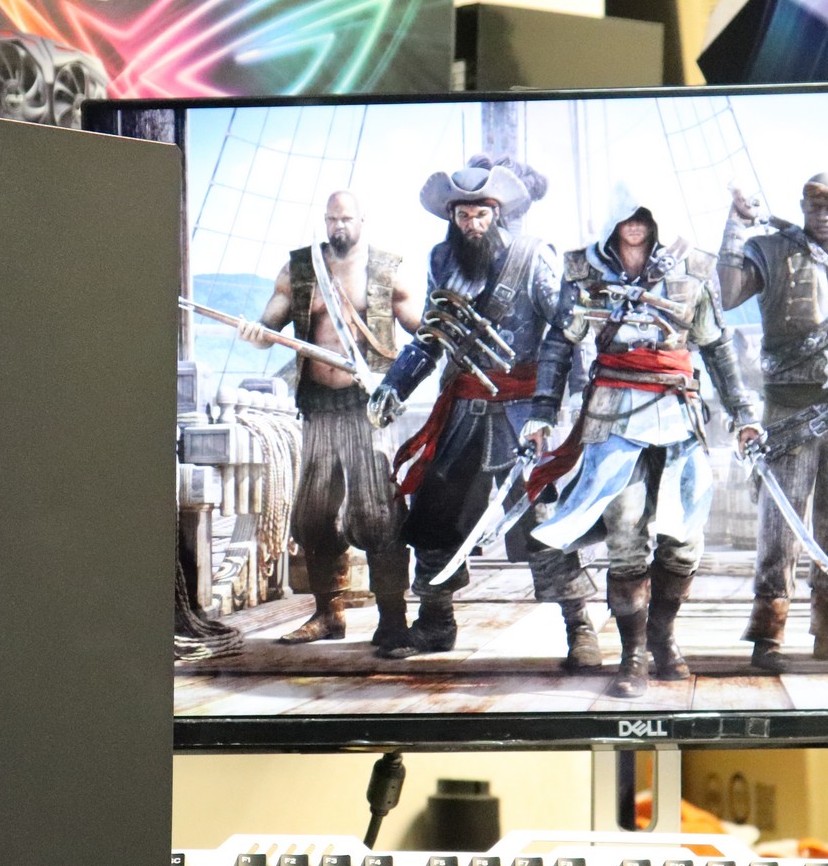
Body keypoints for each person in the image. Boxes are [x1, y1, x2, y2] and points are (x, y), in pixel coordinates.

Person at [366, 163, 598, 665]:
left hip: (523, 413)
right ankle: (436, 623)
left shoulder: (534, 257)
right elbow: (434, 335)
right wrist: (394, 384)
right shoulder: (442, 259)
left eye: (481, 215)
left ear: (498, 213)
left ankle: (579, 626)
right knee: (434, 513)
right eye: (464, 216)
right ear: (453, 217)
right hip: (464, 409)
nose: (472, 225)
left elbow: (566, 332)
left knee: (544, 519)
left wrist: (562, 402)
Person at [527, 205, 759, 699]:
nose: (634, 226)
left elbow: (716, 345)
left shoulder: (694, 269)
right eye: (625, 218)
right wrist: (543, 411)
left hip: (678, 414)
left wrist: (743, 413)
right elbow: (559, 346)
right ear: (611, 223)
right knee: (626, 533)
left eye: (644, 217)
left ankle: (662, 638)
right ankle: (632, 655)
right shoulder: (584, 271)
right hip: (613, 416)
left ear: (657, 223)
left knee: (684, 536)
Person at [719, 174, 828, 673]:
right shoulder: (771, 251)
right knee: (780, 527)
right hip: (789, 413)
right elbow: (728, 293)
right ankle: (768, 636)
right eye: (816, 206)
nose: (824, 215)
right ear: (802, 206)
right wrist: (735, 224)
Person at [240, 191, 423, 656]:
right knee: (313, 516)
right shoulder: (300, 269)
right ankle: (328, 614)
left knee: (379, 514)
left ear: (363, 220)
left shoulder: (386, 270)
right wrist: (256, 334)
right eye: (331, 219)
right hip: (318, 408)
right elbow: (269, 327)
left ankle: (393, 621)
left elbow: (422, 333)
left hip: (367, 410)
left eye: (346, 218)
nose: (338, 226)